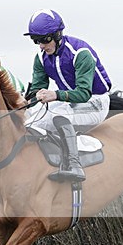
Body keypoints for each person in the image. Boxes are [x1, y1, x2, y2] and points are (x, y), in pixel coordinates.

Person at [24, 9, 113, 182]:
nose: (41, 45)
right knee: (30, 120)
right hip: (70, 102)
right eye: (36, 41)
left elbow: (83, 94)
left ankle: (74, 165)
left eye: (45, 39)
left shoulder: (80, 53)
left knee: (59, 114)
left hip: (95, 101)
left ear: (58, 35)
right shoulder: (41, 57)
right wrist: (27, 100)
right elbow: (37, 90)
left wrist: (55, 95)